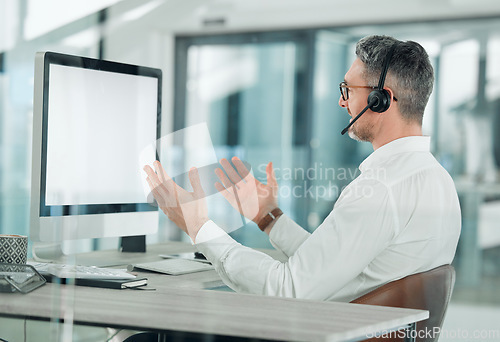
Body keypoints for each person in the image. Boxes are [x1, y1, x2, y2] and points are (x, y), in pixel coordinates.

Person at [144, 35, 461, 302]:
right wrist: (269, 218)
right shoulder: (437, 179)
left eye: (348, 90)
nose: (342, 102)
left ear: (380, 100)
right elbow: (335, 264)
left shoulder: (381, 189)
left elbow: (288, 288)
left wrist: (199, 225)